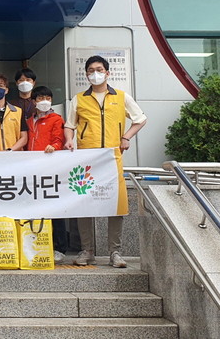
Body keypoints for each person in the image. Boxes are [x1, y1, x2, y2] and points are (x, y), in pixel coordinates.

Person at [64, 55, 147, 268]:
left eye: (99, 69)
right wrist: (69, 140)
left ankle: (115, 252)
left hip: (112, 158)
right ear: (86, 75)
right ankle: (87, 250)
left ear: (108, 73)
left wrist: (126, 137)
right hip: (86, 159)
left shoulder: (121, 97)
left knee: (116, 205)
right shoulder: (79, 99)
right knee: (84, 204)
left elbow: (140, 119)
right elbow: (70, 125)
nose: (95, 74)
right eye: (91, 70)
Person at [27, 85, 67, 264]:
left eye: (48, 99)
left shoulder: (56, 119)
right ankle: (37, 243)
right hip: (32, 170)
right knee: (35, 208)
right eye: (41, 98)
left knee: (54, 208)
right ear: (33, 101)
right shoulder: (29, 121)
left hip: (50, 169)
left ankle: (60, 247)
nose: (45, 101)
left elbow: (59, 139)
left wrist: (55, 147)